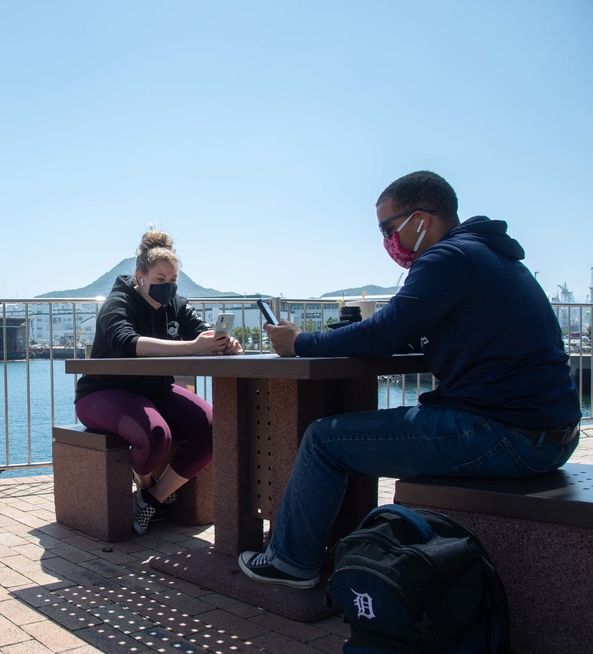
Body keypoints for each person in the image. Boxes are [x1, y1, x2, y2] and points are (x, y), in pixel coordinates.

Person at [238, 170, 581, 589]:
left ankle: (290, 562)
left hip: (507, 434)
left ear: (421, 220)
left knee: (324, 440)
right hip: (551, 432)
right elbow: (409, 331)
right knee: (347, 436)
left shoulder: (447, 258)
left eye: (388, 228)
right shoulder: (488, 254)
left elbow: (383, 333)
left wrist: (301, 342)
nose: (387, 241)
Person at [75, 230, 243, 535]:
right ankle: (148, 483)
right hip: (103, 392)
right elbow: (126, 342)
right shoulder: (118, 302)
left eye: (173, 279)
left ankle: (151, 498)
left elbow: (201, 332)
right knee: (154, 435)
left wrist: (224, 343)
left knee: (216, 428)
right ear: (141, 277)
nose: (169, 286)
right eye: (160, 279)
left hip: (156, 389)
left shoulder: (177, 304)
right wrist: (193, 347)